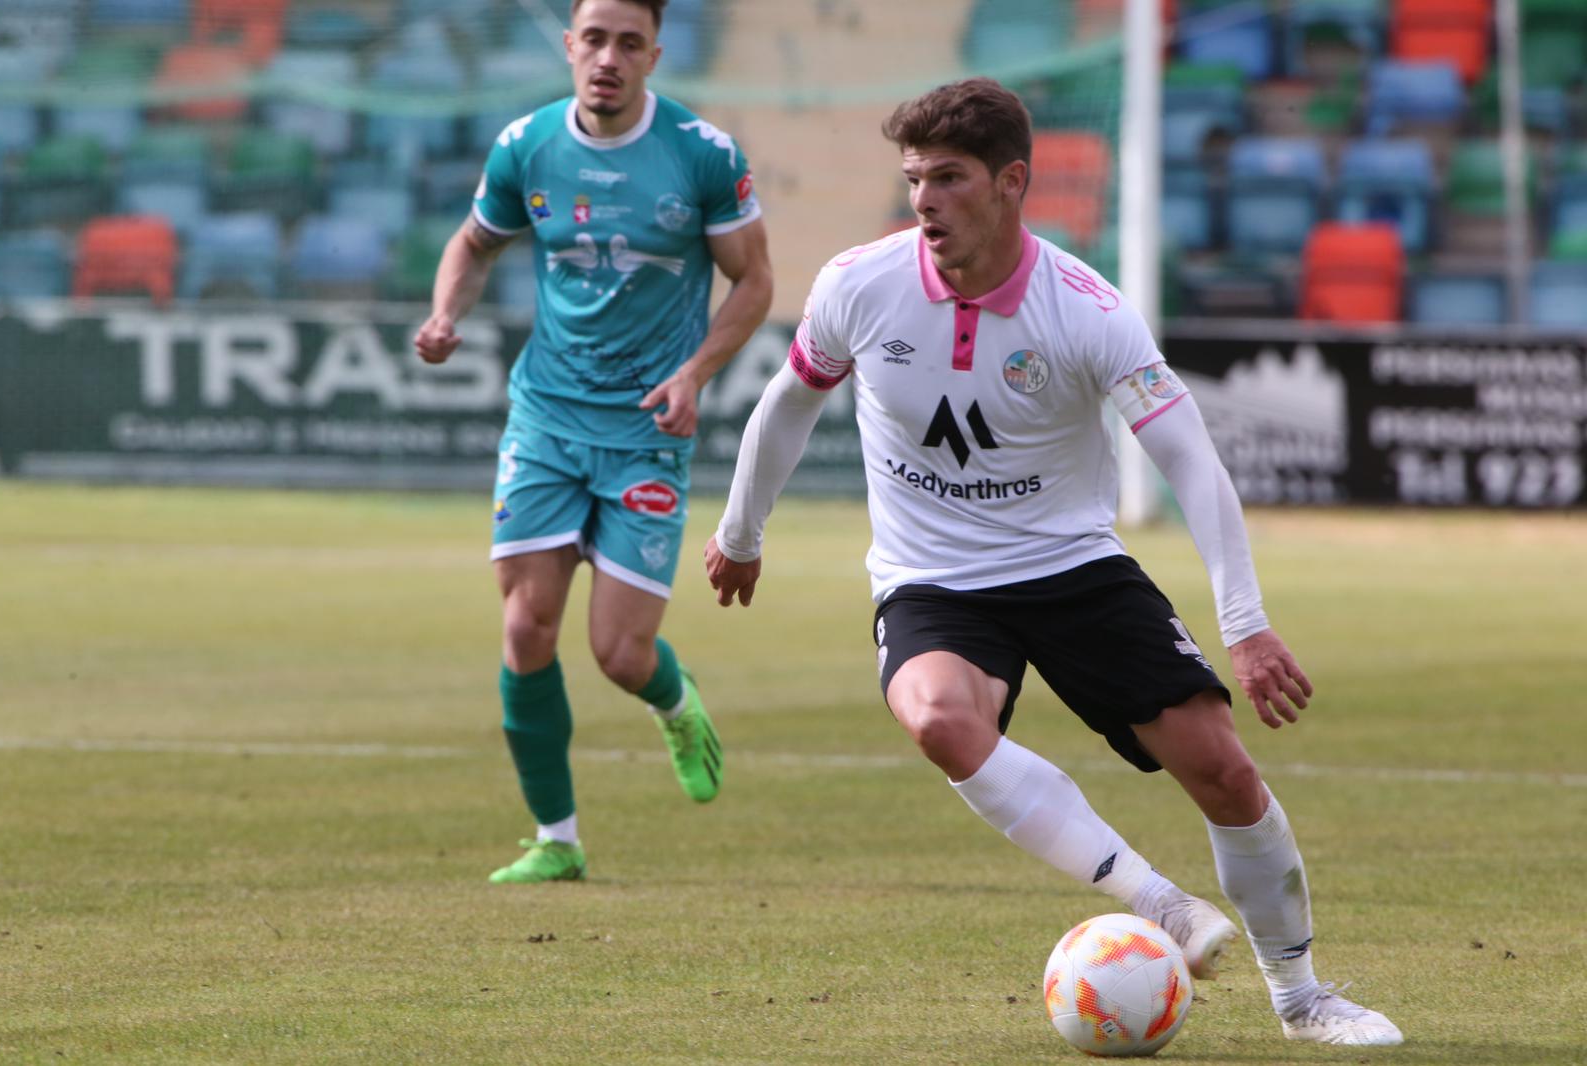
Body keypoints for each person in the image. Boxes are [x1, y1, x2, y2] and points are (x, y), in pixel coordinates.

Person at [703, 78, 1401, 1047]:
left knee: (1224, 772)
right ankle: (1154, 900)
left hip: (1072, 568)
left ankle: (1302, 995)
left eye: (948, 179)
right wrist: (741, 532)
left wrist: (1242, 621)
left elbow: (1189, 457)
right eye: (913, 179)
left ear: (1010, 182)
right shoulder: (859, 284)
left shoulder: (1086, 308)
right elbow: (786, 403)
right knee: (939, 718)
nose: (923, 202)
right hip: (932, 578)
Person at [414, 0, 773, 885]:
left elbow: (755, 281)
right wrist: (443, 311)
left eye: (628, 42)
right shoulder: (525, 145)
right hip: (545, 417)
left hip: (645, 430)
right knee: (526, 625)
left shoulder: (702, 154)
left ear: (654, 53)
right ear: (569, 46)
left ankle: (676, 703)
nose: (608, 57)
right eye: (594, 39)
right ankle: (556, 838)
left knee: (619, 653)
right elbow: (473, 243)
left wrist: (693, 373)